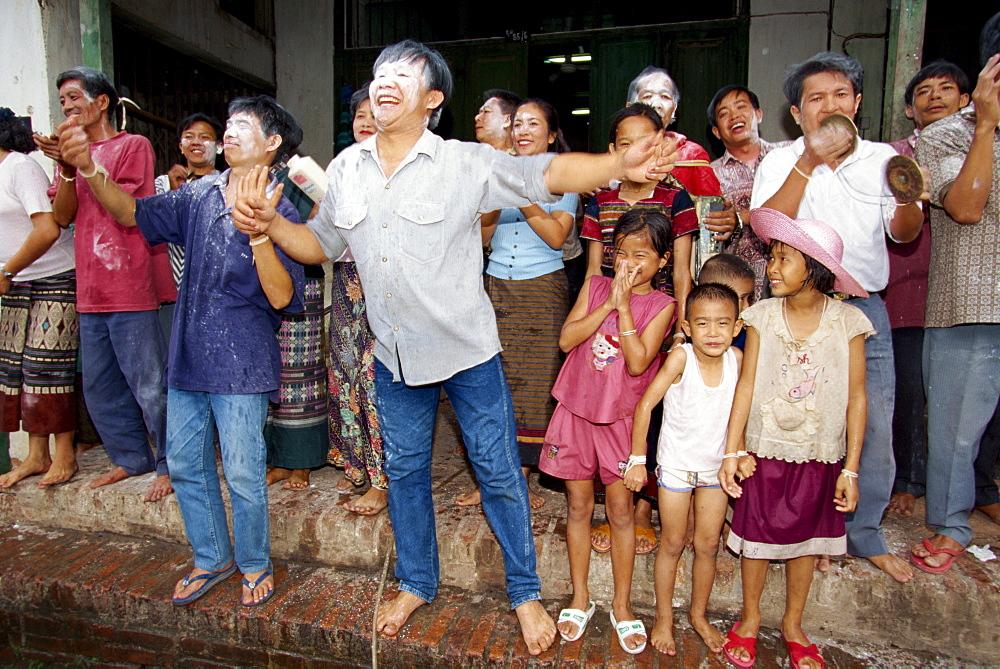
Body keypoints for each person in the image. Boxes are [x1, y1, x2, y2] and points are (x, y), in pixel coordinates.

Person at [229, 39, 678, 656]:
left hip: (469, 355)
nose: (386, 82)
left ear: (432, 98)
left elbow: (543, 173)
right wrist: (267, 225)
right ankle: (417, 582)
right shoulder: (348, 168)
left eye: (404, 75)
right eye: (380, 73)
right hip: (394, 357)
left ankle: (524, 593)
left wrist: (615, 165)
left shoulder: (462, 162)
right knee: (407, 472)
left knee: (497, 473)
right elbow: (321, 245)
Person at [56, 94, 306, 608]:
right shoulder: (198, 195)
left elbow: (282, 296)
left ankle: (255, 562)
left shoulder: (280, 206)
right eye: (229, 125)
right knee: (189, 464)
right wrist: (87, 168)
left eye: (243, 125)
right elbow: (133, 212)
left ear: (273, 143)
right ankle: (211, 558)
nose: (229, 132)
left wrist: (259, 233)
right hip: (189, 356)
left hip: (242, 363)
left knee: (241, 471)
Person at [750, 51, 924, 583]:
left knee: (868, 421)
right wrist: (807, 159)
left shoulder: (881, 160)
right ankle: (809, 531)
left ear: (859, 103)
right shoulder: (780, 159)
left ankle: (863, 533)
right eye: (815, 99)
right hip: (797, 309)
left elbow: (906, 233)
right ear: (797, 114)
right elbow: (767, 227)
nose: (829, 106)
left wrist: (909, 196)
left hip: (864, 308)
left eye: (840, 95)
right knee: (794, 422)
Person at [720, 207, 871, 669]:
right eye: (773, 257)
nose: (773, 267)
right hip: (765, 449)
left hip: (821, 452)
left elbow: (857, 398)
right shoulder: (761, 316)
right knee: (758, 532)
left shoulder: (849, 323)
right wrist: (733, 449)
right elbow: (745, 384)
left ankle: (793, 623)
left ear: (815, 269)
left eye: (785, 259)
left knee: (807, 537)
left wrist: (851, 468)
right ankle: (749, 619)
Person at [34, 67, 175, 502]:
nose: (68, 106)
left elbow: (128, 210)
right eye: (62, 102)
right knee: (99, 386)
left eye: (75, 97)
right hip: (90, 289)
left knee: (150, 383)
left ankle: (172, 464)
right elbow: (61, 217)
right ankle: (131, 457)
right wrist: (67, 169)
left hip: (131, 284)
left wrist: (86, 163)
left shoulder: (133, 145)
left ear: (101, 103)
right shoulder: (71, 157)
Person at [541, 208, 676, 653]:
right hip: (576, 411)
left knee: (621, 513)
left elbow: (638, 361)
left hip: (620, 420)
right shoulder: (595, 284)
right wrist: (607, 300)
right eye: (623, 252)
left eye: (642, 255)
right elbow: (565, 340)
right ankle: (581, 597)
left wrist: (623, 309)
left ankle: (621, 604)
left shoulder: (663, 305)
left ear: (662, 261)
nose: (630, 263)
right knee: (579, 506)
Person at [455, 98, 577, 509]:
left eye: (533, 124)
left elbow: (556, 236)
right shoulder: (499, 172)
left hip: (541, 291)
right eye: (518, 124)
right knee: (496, 383)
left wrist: (518, 187)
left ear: (552, 133)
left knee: (535, 387)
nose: (523, 131)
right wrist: (492, 195)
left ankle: (519, 480)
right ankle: (495, 477)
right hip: (496, 287)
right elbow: (485, 238)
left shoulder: (562, 176)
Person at [583, 103, 692, 556]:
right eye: (623, 144)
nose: (633, 151)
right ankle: (615, 506)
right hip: (608, 319)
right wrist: (590, 320)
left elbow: (683, 270)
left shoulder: (674, 198)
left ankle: (642, 509)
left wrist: (682, 325)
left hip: (657, 321)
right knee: (609, 409)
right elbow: (593, 271)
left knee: (648, 414)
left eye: (644, 143)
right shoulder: (600, 201)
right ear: (612, 150)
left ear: (661, 147)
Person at [911, 14, 1000, 572]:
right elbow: (965, 208)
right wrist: (986, 126)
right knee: (954, 430)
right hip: (972, 303)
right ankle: (950, 524)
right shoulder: (946, 133)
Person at [631, 283, 741, 656]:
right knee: (673, 543)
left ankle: (698, 615)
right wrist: (636, 460)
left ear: (737, 327)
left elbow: (743, 414)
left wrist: (741, 452)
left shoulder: (736, 362)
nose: (713, 333)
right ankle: (664, 618)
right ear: (689, 327)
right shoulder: (681, 357)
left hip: (715, 470)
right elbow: (646, 406)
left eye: (723, 323)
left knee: (708, 545)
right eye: (704, 323)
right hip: (677, 467)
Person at [883, 61, 970, 518]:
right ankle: (909, 479)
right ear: (909, 108)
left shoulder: (980, 151)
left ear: (967, 100)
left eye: (947, 88)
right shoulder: (894, 157)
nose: (934, 96)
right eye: (924, 91)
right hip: (905, 292)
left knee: (966, 398)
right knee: (908, 392)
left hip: (965, 289)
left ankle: (980, 489)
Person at [0, 108, 78, 489]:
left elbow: (48, 229)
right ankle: (36, 455)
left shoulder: (18, 166)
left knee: (50, 368)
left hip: (54, 274)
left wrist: (6, 270)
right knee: (22, 370)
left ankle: (64, 455)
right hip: (17, 280)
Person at [327, 86, 389, 514]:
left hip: (384, 279)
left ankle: (384, 480)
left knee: (375, 378)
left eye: (373, 115)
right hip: (346, 276)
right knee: (345, 372)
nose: (365, 123)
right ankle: (357, 467)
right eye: (358, 116)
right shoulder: (341, 164)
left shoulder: (395, 164)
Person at [708, 85, 786, 299]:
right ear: (716, 131)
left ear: (758, 114)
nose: (734, 116)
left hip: (793, 285)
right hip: (740, 291)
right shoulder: (709, 175)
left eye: (741, 107)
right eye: (724, 114)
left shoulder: (789, 156)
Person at [154, 113, 224, 287]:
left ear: (219, 147)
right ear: (180, 147)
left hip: (214, 286)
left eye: (204, 137)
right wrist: (174, 192)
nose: (195, 142)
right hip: (172, 287)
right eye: (189, 137)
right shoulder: (162, 184)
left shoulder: (227, 185)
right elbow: (160, 229)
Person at [696, 253, 755, 351]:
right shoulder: (698, 336)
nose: (747, 306)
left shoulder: (746, 335)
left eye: (749, 298)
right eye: (742, 298)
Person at [474, 89, 520, 153]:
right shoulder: (472, 158)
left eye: (486, 111)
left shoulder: (523, 160)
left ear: (507, 120)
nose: (477, 117)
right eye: (480, 112)